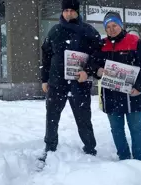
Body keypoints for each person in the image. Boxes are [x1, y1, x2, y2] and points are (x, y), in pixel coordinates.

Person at [86, 12, 141, 161]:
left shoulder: (134, 41)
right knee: (116, 130)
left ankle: (139, 160)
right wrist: (98, 70)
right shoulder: (101, 45)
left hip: (132, 95)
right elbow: (91, 63)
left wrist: (140, 87)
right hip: (110, 96)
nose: (111, 29)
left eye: (114, 25)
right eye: (108, 27)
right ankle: (124, 159)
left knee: (136, 129)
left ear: (121, 25)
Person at [39, 0, 101, 161]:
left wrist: (87, 72)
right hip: (56, 81)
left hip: (79, 83)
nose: (68, 13)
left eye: (71, 10)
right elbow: (46, 56)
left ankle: (90, 148)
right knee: (52, 115)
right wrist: (44, 79)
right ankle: (50, 146)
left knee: (83, 117)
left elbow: (98, 55)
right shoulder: (54, 31)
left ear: (77, 12)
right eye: (65, 10)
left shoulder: (88, 31)